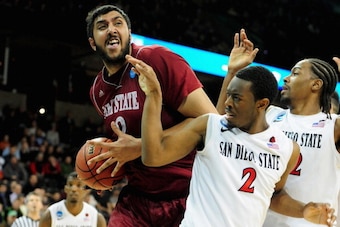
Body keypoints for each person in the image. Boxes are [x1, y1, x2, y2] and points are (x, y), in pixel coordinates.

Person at [132, 45, 336, 226]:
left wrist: (303, 210)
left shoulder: (289, 146)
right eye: (228, 96)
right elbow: (154, 155)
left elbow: (276, 195)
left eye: (236, 98)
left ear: (262, 104)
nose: (228, 103)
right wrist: (154, 96)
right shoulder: (213, 126)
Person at [85, 4, 218, 227]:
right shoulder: (97, 91)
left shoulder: (156, 59)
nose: (111, 30)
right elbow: (123, 144)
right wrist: (104, 170)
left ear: (129, 32)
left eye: (118, 23)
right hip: (136, 201)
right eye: (102, 26)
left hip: (185, 195)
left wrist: (140, 146)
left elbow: (211, 122)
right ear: (92, 42)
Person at [214, 29, 340, 227]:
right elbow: (219, 122)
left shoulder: (333, 126)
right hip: (262, 220)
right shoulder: (270, 114)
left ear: (316, 85)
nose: (286, 79)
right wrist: (232, 72)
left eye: (295, 73)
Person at [39, 171, 106, 227]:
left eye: (79, 185)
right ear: (65, 189)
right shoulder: (50, 214)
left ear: (87, 191)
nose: (74, 189)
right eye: (70, 185)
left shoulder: (96, 217)